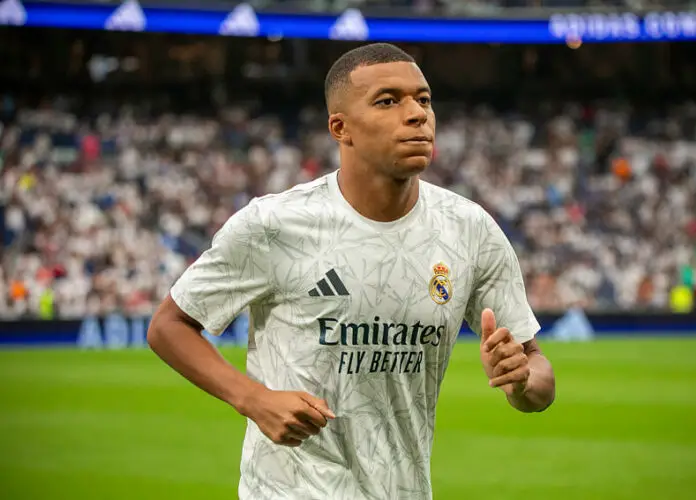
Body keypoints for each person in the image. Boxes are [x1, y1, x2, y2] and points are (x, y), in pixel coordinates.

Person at [147, 42, 555, 500]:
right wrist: (254, 399)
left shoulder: (470, 229)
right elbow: (169, 326)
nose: (418, 114)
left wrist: (520, 380)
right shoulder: (273, 225)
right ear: (341, 128)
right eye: (388, 100)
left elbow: (538, 375)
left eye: (423, 99)